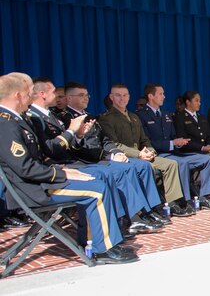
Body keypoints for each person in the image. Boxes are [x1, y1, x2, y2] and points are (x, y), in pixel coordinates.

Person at [0, 72, 137, 263]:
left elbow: (39, 156)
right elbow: (26, 168)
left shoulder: (17, 120)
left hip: (40, 181)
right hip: (33, 189)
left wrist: (64, 171)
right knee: (96, 190)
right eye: (29, 92)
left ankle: (98, 241)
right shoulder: (6, 123)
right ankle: (103, 249)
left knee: (96, 181)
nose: (31, 97)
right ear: (17, 95)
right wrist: (61, 173)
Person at [28, 78, 165, 234]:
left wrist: (116, 152)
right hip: (80, 161)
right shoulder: (62, 118)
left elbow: (104, 139)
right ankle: (129, 218)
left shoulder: (82, 115)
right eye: (81, 95)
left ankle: (146, 211)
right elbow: (68, 149)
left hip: (88, 158)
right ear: (70, 98)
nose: (86, 98)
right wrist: (109, 156)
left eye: (87, 95)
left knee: (139, 166)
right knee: (118, 171)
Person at [98, 84, 195, 217]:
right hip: (126, 157)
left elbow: (144, 139)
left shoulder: (133, 116)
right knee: (147, 167)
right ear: (111, 97)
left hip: (143, 154)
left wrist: (150, 151)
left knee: (171, 164)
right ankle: (151, 208)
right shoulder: (106, 118)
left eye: (125, 95)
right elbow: (114, 144)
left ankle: (172, 204)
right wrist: (139, 154)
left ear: (129, 97)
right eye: (118, 95)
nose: (122, 98)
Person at [137, 83, 210, 210]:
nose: (164, 97)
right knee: (181, 163)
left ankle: (204, 196)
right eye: (160, 94)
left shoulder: (165, 114)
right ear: (151, 96)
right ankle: (185, 201)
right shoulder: (141, 115)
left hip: (175, 153)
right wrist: (172, 143)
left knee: (208, 159)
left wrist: (179, 142)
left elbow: (174, 136)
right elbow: (146, 142)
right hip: (159, 155)